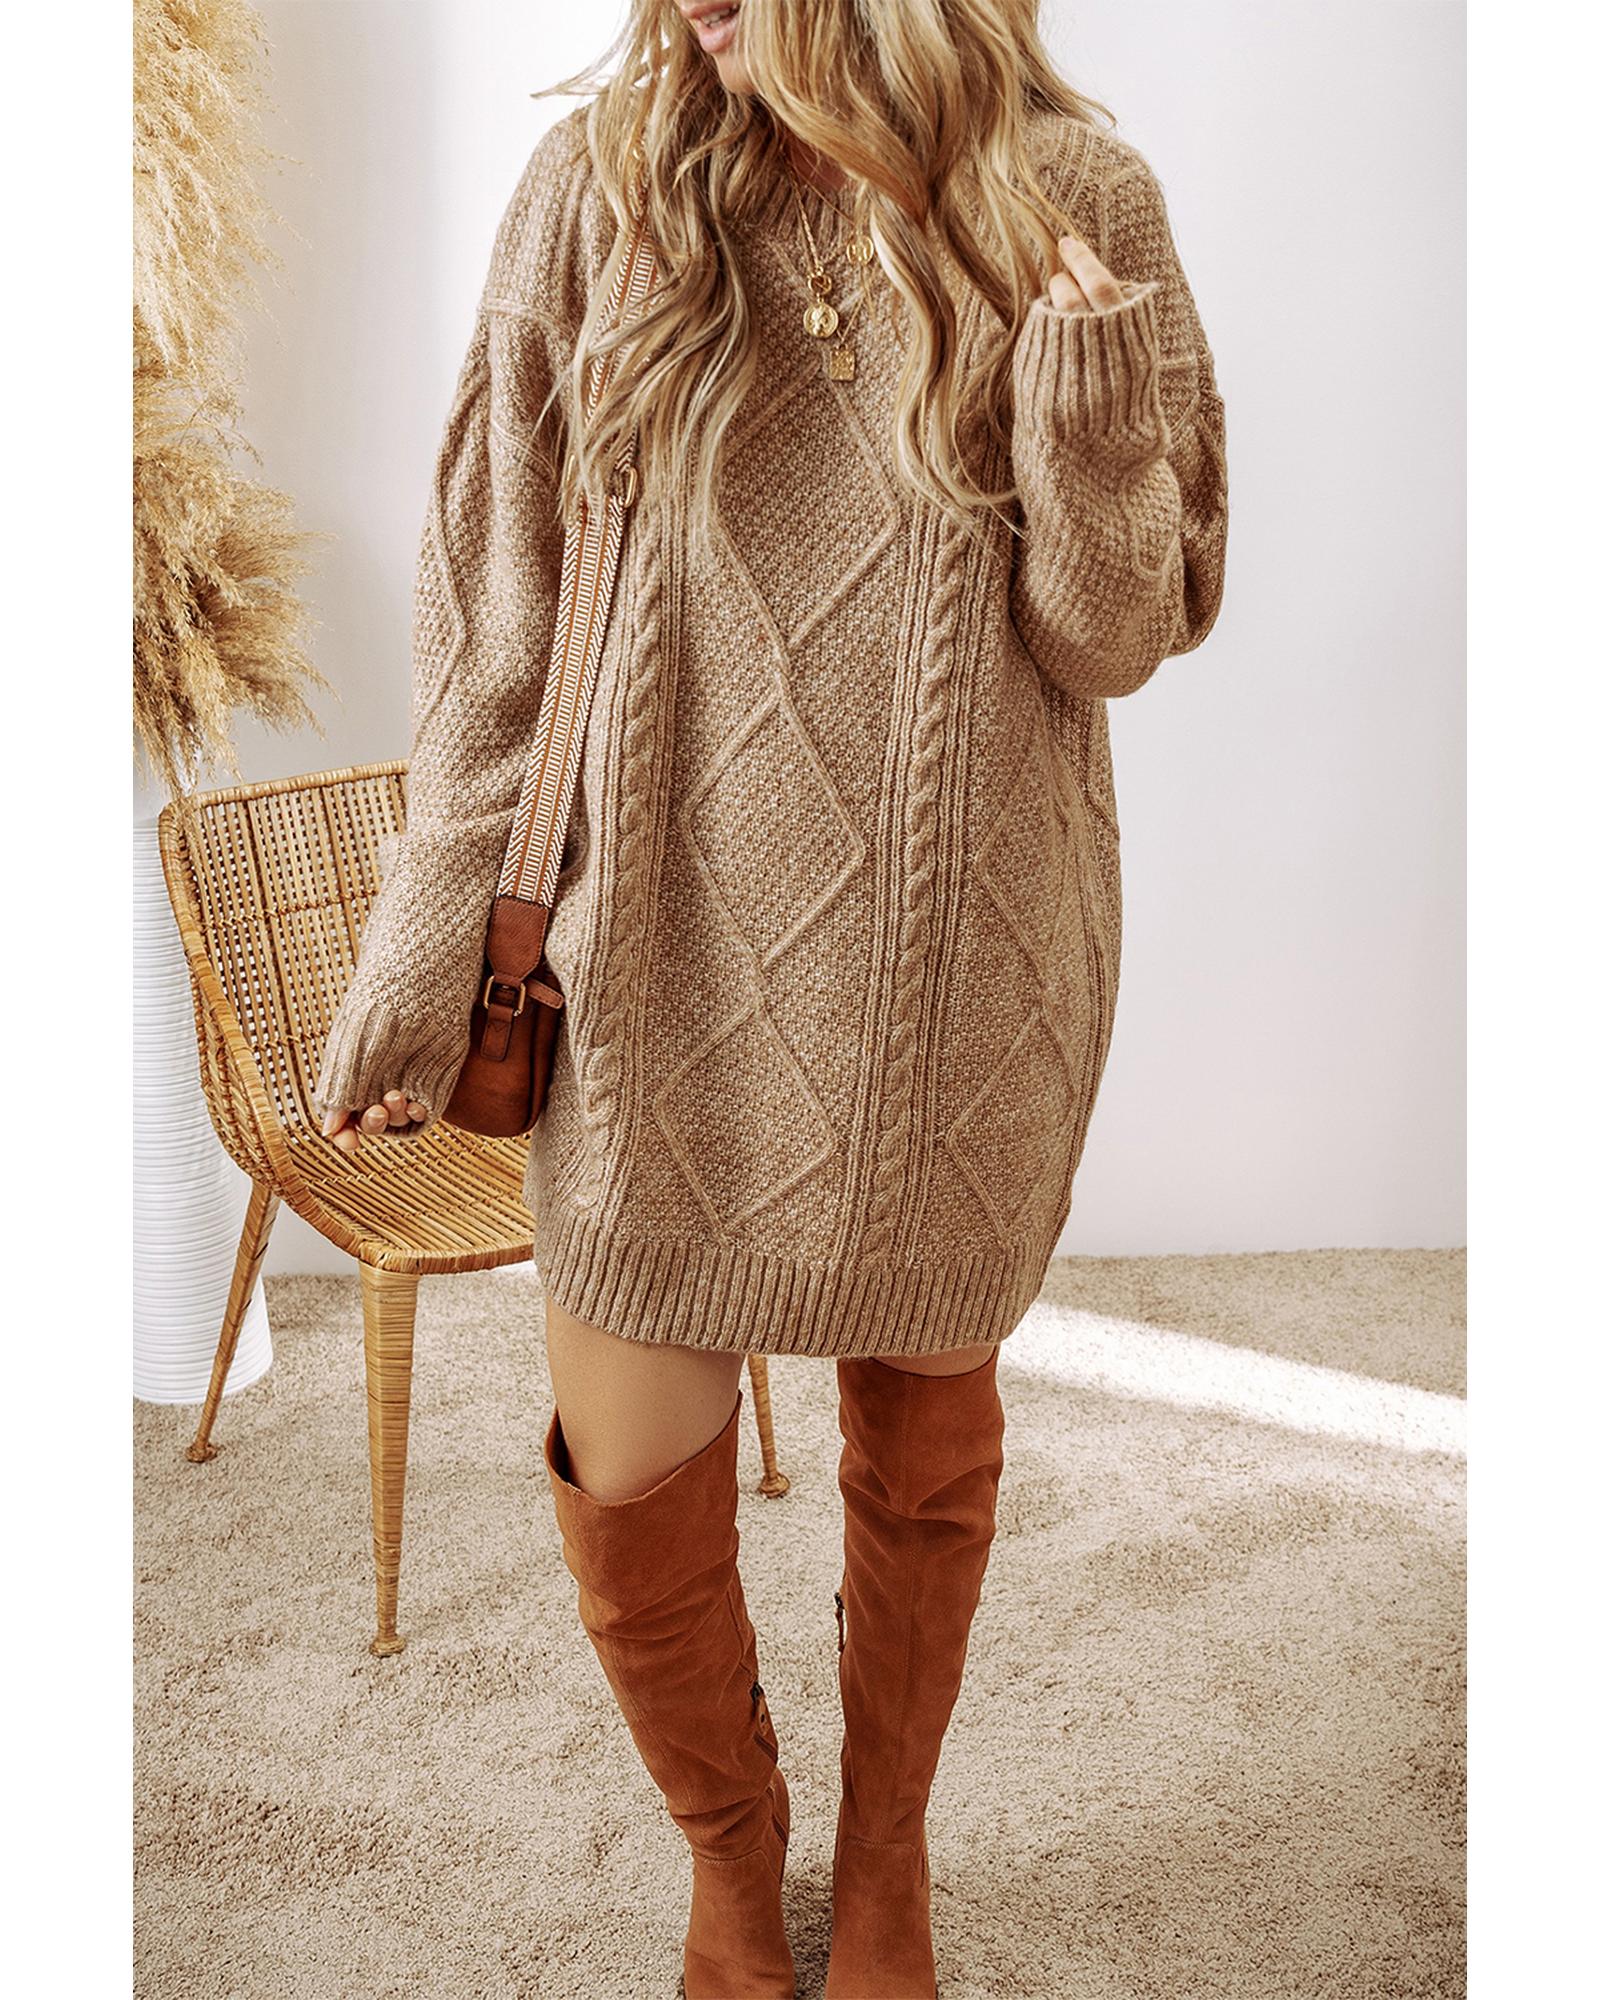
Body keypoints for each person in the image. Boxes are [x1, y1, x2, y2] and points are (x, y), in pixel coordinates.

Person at [313, 1, 1228, 1991]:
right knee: (631, 1473)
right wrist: (421, 935)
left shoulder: (1075, 196)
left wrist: (1083, 413)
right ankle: (734, 1860)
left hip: (953, 968)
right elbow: (498, 629)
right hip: (649, 959)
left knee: (922, 1445)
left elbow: (1113, 636)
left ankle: (884, 1855)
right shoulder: (599, 195)